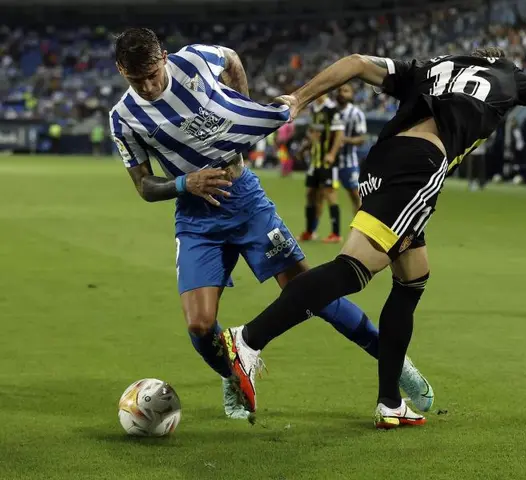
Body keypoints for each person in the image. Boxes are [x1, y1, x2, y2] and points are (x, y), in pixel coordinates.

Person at [219, 48, 526, 429]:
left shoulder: (430, 67)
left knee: (413, 277)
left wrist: (300, 97)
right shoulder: (512, 77)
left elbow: (357, 63)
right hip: (422, 164)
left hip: (383, 160)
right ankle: (249, 338)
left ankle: (390, 402)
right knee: (354, 270)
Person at [108, 28, 432, 421]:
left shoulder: (193, 60)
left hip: (246, 202)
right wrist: (183, 183)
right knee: (199, 324)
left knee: (313, 293)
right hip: (196, 218)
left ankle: (394, 361)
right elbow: (143, 185)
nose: (146, 85)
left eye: (152, 74)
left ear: (163, 57)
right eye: (135, 79)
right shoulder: (124, 117)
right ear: (121, 71)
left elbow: (230, 58)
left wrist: (241, 112)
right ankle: (233, 375)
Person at [298, 95, 344, 243]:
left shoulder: (332, 109)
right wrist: (305, 148)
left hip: (327, 162)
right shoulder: (313, 109)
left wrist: (332, 154)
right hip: (315, 161)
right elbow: (313, 133)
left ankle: (336, 233)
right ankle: (309, 231)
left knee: (329, 195)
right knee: (310, 194)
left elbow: (339, 133)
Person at [336, 83, 367, 214]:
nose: (342, 93)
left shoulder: (356, 113)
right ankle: (317, 231)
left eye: (346, 91)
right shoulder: (332, 111)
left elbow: (361, 139)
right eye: (340, 90)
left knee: (356, 196)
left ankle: (359, 230)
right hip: (329, 163)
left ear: (352, 95)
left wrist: (343, 139)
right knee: (322, 194)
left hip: (348, 162)